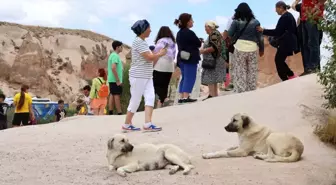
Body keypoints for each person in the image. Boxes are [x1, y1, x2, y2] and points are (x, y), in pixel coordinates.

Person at [123, 19, 167, 132]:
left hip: (147, 76)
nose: (150, 30)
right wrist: (160, 53)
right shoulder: (138, 42)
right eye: (149, 28)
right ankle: (127, 124)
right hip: (138, 76)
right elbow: (149, 57)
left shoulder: (142, 42)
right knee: (136, 100)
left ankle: (148, 123)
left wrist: (157, 54)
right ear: (143, 29)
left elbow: (149, 57)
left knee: (150, 97)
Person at [227, 3, 264, 93]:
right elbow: (260, 37)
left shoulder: (236, 21)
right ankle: (251, 89)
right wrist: (262, 49)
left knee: (240, 70)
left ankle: (241, 91)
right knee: (252, 69)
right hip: (253, 48)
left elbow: (229, 34)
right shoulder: (256, 22)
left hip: (239, 47)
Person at [257, 1, 298, 81]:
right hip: (289, 41)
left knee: (278, 60)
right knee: (279, 60)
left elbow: (277, 32)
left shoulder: (285, 17)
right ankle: (290, 75)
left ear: (281, 8)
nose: (275, 11)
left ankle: (286, 79)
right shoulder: (288, 16)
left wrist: (263, 31)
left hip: (286, 42)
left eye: (276, 8)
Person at [174, 13, 202, 104]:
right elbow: (198, 43)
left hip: (181, 58)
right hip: (190, 58)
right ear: (187, 22)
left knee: (185, 77)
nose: (193, 22)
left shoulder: (179, 33)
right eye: (191, 20)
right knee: (190, 77)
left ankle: (182, 96)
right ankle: (186, 97)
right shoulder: (189, 33)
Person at [292, 0, 325, 76]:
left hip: (313, 18)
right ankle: (308, 68)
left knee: (313, 43)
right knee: (305, 44)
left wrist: (316, 8)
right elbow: (293, 6)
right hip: (304, 19)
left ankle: (314, 67)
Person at [200, 20, 227, 100]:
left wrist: (203, 51)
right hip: (216, 59)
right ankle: (214, 95)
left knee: (210, 77)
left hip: (214, 59)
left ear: (210, 27)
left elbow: (214, 47)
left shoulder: (214, 34)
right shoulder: (215, 33)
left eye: (206, 27)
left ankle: (211, 95)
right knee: (213, 78)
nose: (205, 29)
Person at [152, 26, 177, 108]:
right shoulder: (172, 42)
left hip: (161, 64)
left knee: (156, 84)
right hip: (170, 66)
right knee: (165, 85)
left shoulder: (161, 41)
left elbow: (156, 54)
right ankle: (162, 102)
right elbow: (173, 56)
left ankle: (161, 100)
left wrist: (152, 66)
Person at [108, 40, 124, 115]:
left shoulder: (112, 55)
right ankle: (119, 112)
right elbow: (113, 68)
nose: (122, 48)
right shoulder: (115, 56)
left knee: (112, 94)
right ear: (117, 47)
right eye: (121, 46)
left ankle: (110, 111)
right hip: (115, 80)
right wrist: (118, 80)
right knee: (116, 95)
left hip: (112, 79)